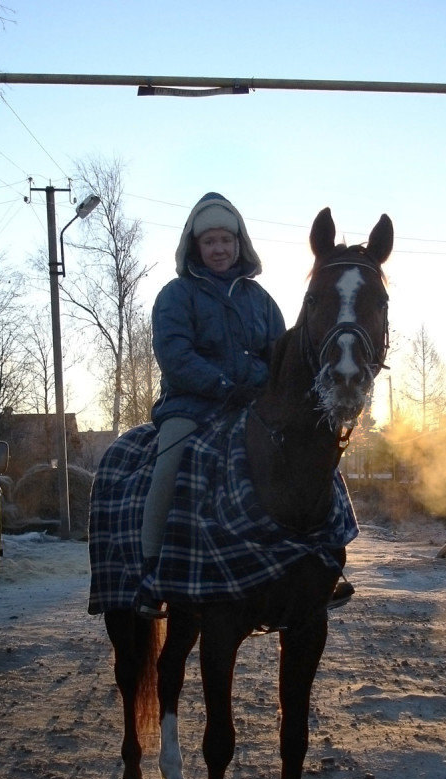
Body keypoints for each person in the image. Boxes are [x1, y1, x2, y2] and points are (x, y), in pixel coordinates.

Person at [137, 192, 287, 618]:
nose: (219, 249)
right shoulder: (176, 294)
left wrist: (262, 385)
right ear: (195, 248)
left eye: (227, 240)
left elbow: (279, 355)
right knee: (169, 463)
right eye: (210, 242)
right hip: (191, 407)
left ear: (240, 244)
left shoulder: (261, 299)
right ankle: (152, 571)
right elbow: (175, 355)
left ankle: (318, 558)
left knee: (305, 454)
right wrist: (222, 385)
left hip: (253, 407)